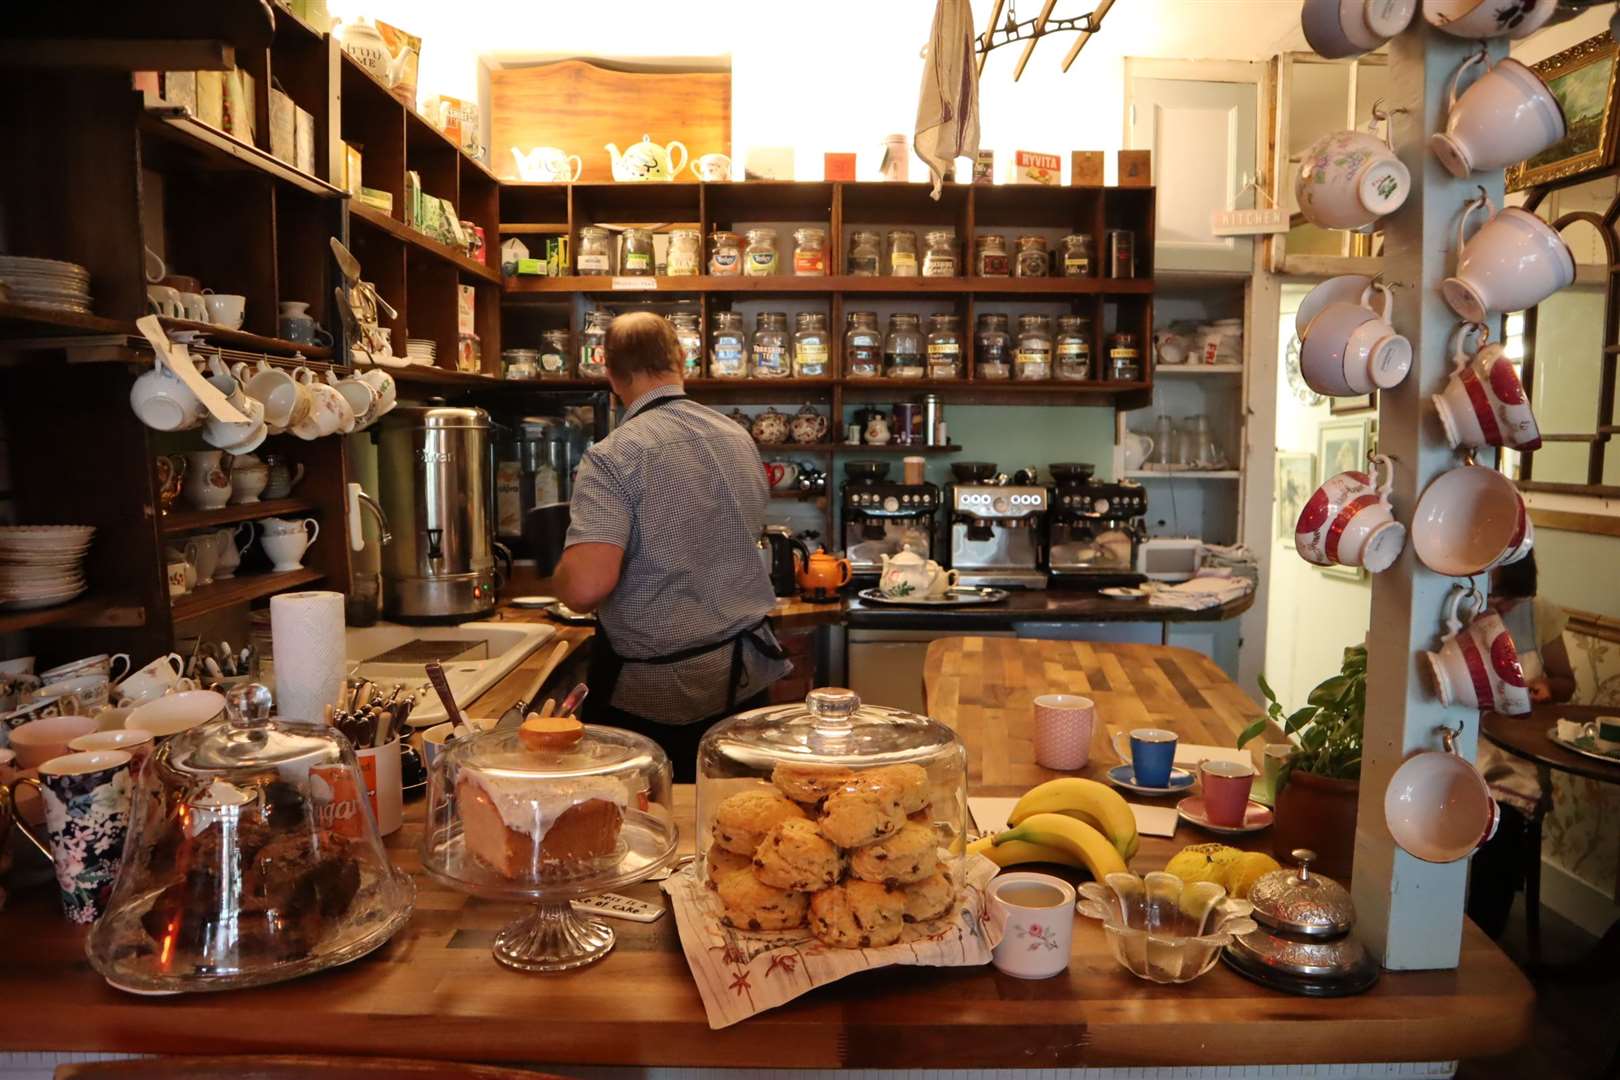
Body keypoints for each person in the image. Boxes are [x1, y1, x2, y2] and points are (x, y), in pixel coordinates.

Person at [551, 311, 788, 779]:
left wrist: (554, 572)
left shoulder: (613, 455)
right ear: (681, 361)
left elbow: (584, 588)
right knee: (731, 824)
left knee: (653, 827)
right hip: (743, 680)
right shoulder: (737, 437)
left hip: (656, 698)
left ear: (610, 373)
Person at [1467, 551, 1575, 938]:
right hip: (1464, 739)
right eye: (1497, 596)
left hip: (1515, 753)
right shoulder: (1458, 607)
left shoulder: (1538, 612)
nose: (1505, 607)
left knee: (1503, 821)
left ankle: (1484, 936)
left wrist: (1548, 688)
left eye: (1514, 598)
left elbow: (1565, 681)